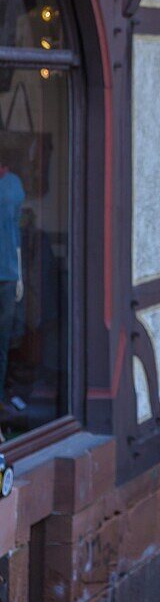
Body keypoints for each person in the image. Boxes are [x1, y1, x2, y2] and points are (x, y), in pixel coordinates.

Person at [0, 157, 24, 422]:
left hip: (7, 273)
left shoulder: (14, 185)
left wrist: (19, 276)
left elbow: (15, 230)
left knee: (3, 341)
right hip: (8, 271)